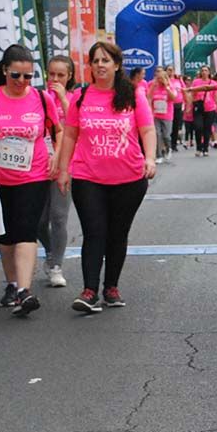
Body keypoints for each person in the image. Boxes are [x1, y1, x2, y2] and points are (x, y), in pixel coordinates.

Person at [57, 41, 157, 313]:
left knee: (117, 234)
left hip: (129, 178)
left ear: (116, 65)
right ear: (89, 66)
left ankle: (111, 288)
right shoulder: (81, 96)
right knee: (94, 232)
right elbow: (69, 134)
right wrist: (64, 169)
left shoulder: (132, 94)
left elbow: (147, 130)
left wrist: (149, 158)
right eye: (95, 60)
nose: (100, 65)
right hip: (89, 177)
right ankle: (89, 291)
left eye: (105, 60)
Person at [0, 44, 62, 316]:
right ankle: (11, 283)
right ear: (5, 71)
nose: (21, 82)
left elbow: (59, 130)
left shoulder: (42, 98)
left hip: (35, 173)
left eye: (28, 77)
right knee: (6, 235)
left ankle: (24, 291)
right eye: (16, 75)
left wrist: (57, 157)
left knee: (27, 230)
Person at [38, 54, 76, 288]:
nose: (55, 79)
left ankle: (56, 266)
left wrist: (62, 98)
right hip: (39, 164)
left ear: (69, 76)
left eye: (60, 75)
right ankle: (51, 251)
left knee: (59, 217)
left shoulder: (74, 98)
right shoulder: (39, 97)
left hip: (66, 166)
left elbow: (77, 123)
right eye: (51, 74)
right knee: (39, 222)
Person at [147, 66, 177, 164]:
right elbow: (148, 97)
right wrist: (153, 86)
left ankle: (168, 149)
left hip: (167, 115)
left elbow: (174, 98)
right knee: (157, 134)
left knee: (166, 136)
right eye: (158, 78)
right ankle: (159, 155)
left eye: (161, 78)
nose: (159, 80)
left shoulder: (170, 86)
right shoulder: (153, 85)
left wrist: (167, 88)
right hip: (156, 115)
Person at [189, 65, 215, 156]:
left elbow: (216, 96)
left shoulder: (213, 83)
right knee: (198, 127)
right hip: (198, 107)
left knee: (207, 129)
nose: (204, 72)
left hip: (210, 108)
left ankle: (205, 148)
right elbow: (192, 93)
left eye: (206, 70)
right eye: (202, 70)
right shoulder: (196, 82)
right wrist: (189, 105)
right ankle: (198, 148)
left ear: (209, 72)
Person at [167, 65, 185, 153]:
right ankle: (167, 144)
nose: (170, 72)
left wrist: (181, 79)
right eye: (169, 70)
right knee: (168, 125)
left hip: (178, 104)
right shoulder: (166, 80)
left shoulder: (178, 80)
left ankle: (173, 144)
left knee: (176, 125)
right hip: (168, 104)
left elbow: (184, 89)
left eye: (172, 70)